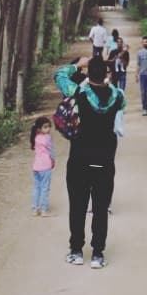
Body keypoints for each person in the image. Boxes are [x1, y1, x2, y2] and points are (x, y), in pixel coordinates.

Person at [54, 54, 125, 268]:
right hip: (104, 160)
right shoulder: (118, 96)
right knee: (100, 208)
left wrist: (77, 65)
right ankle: (97, 254)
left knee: (78, 206)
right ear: (105, 74)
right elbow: (118, 107)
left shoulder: (78, 93)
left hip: (80, 159)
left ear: (87, 73)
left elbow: (59, 75)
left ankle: (76, 250)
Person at [30, 116, 55, 216]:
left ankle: (35, 208)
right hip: (45, 166)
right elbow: (51, 151)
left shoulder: (36, 138)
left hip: (36, 166)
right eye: (45, 127)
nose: (48, 129)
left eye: (49, 127)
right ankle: (44, 209)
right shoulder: (47, 138)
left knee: (37, 187)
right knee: (45, 187)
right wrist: (53, 160)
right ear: (39, 129)